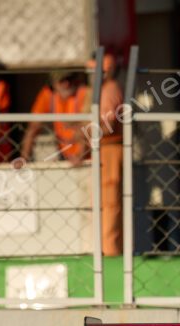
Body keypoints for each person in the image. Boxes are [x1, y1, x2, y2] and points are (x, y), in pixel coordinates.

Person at [88, 53, 123, 255]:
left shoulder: (109, 89)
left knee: (110, 202)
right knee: (104, 201)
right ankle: (106, 247)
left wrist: (83, 132)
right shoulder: (104, 89)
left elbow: (108, 126)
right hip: (104, 148)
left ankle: (110, 249)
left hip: (110, 148)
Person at [20, 71, 88, 164]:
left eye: (70, 79)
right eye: (61, 80)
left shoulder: (83, 92)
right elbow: (33, 128)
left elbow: (88, 127)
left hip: (89, 155)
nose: (67, 84)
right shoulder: (48, 95)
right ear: (53, 83)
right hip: (65, 154)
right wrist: (24, 158)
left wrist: (80, 154)